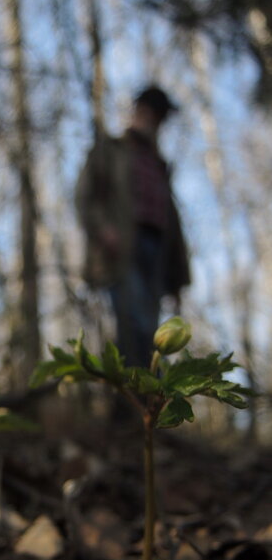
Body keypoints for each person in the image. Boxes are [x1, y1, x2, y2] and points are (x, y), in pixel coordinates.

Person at [76, 85, 191, 368]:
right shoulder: (110, 150)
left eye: (158, 120)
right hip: (122, 248)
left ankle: (146, 401)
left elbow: (172, 225)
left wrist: (177, 279)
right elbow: (84, 195)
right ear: (139, 111)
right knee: (133, 323)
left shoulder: (159, 164)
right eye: (150, 115)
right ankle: (130, 400)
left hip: (156, 251)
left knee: (151, 327)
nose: (153, 124)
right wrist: (103, 230)